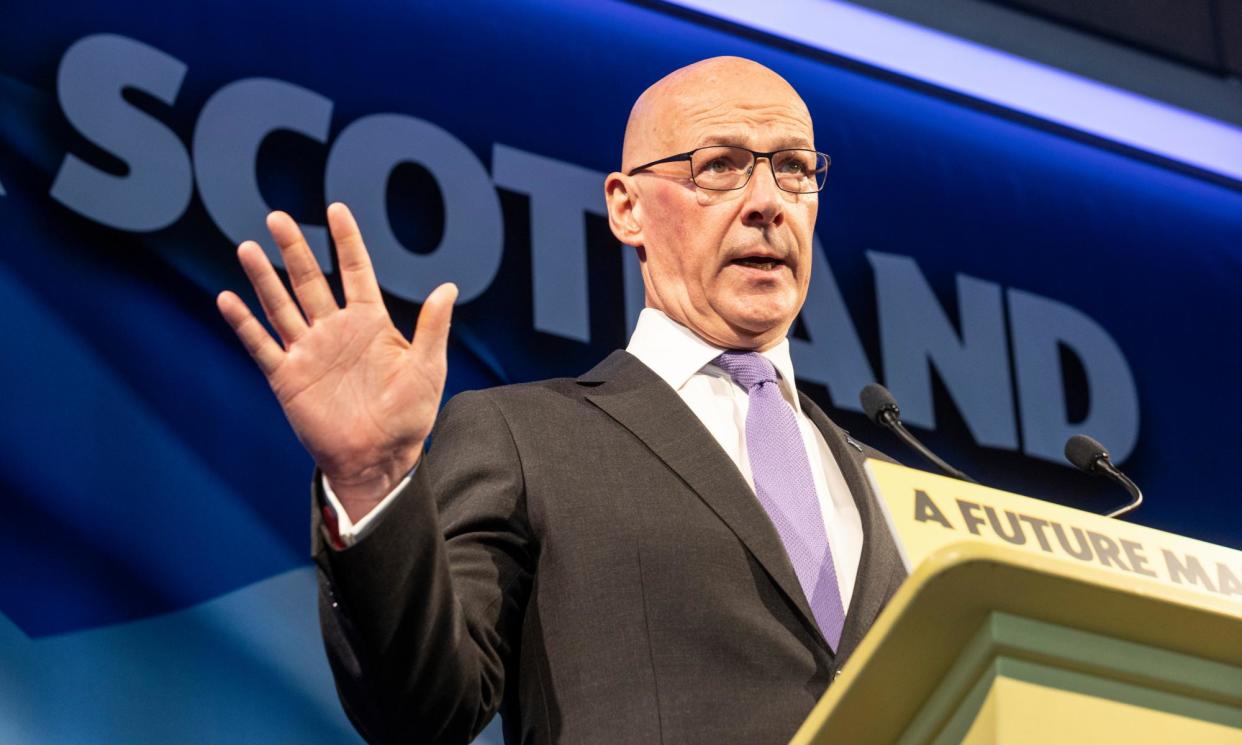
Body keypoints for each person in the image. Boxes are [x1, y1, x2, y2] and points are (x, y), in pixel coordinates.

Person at [217, 56, 905, 745]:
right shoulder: (524, 437)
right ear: (626, 207)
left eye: (792, 167)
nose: (768, 201)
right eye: (720, 165)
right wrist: (370, 481)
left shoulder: (890, 486)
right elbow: (421, 708)